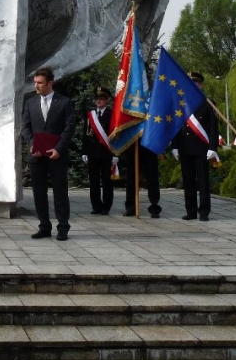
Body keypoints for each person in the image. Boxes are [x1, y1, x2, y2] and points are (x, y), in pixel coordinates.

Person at [20, 67, 76, 241]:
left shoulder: (64, 102)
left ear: (50, 83)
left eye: (40, 83)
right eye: (35, 82)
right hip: (37, 155)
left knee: (60, 192)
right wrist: (32, 145)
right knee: (39, 192)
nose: (36, 86)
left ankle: (63, 227)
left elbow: (69, 127)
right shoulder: (30, 103)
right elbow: (25, 126)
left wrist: (58, 149)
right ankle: (44, 226)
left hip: (56, 155)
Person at [172, 71, 220, 221]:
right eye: (191, 83)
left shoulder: (207, 104)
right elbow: (177, 126)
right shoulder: (182, 103)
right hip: (185, 148)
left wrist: (213, 148)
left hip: (201, 149)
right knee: (188, 181)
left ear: (201, 85)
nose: (193, 86)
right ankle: (191, 211)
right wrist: (175, 145)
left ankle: (204, 212)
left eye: (196, 83)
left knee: (203, 182)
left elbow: (213, 128)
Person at [81, 86, 116, 215]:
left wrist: (116, 154)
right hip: (93, 152)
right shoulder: (91, 115)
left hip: (107, 153)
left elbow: (116, 135)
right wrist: (84, 151)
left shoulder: (112, 114)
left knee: (107, 181)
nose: (99, 101)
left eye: (101, 98)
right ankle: (96, 205)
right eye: (97, 99)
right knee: (94, 181)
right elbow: (85, 134)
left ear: (107, 100)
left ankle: (106, 207)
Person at [122, 144, 162, 218]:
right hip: (133, 143)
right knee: (131, 176)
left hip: (150, 143)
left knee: (152, 176)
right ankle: (131, 207)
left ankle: (154, 207)